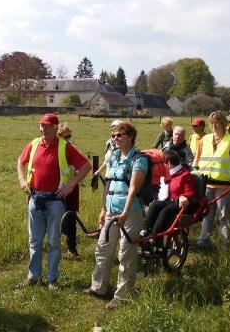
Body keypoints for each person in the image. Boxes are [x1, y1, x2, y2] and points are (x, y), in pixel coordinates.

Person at [16, 113, 91, 288]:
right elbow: (20, 161)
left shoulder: (65, 147)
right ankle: (33, 277)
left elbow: (86, 166)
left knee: (53, 241)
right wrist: (21, 180)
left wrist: (71, 185)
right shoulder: (34, 144)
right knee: (34, 240)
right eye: (41, 126)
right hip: (35, 199)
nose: (43, 129)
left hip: (56, 201)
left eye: (48, 126)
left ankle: (52, 279)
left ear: (56, 128)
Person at [84, 121, 147, 309]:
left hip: (131, 212)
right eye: (113, 136)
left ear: (130, 137)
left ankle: (122, 296)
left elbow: (134, 189)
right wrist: (103, 209)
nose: (115, 138)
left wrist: (126, 213)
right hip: (111, 210)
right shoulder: (113, 157)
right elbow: (109, 184)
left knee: (126, 253)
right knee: (103, 248)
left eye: (119, 135)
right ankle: (98, 287)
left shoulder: (139, 159)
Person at [194, 111, 230, 249]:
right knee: (207, 214)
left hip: (225, 186)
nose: (214, 125)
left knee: (223, 217)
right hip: (206, 185)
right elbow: (196, 161)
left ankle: (225, 245)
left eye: (217, 122)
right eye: (212, 123)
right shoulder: (204, 139)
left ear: (223, 124)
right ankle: (203, 241)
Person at [142, 150, 197, 237]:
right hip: (167, 200)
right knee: (154, 206)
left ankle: (154, 235)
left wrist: (183, 196)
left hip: (179, 202)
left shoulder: (185, 174)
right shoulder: (166, 173)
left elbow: (190, 192)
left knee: (165, 211)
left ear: (168, 164)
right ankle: (146, 230)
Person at [57, 123, 81, 259]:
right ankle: (55, 248)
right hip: (57, 190)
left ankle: (72, 249)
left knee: (71, 219)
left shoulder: (72, 148)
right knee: (56, 219)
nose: (68, 139)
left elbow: (82, 167)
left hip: (71, 189)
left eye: (69, 136)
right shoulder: (54, 150)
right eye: (65, 137)